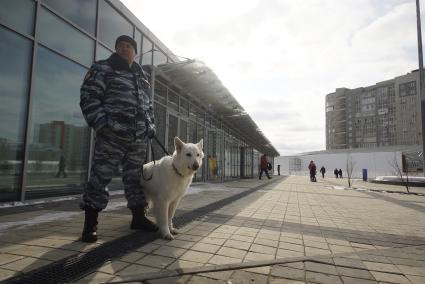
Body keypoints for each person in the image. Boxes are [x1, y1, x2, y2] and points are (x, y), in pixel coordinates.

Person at [79, 35, 157, 243]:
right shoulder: (103, 68)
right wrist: (102, 124)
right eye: (120, 46)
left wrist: (150, 126)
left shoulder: (142, 77)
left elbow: (148, 106)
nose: (124, 48)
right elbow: (89, 97)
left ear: (135, 52)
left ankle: (139, 218)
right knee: (100, 178)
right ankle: (90, 226)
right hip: (112, 136)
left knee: (135, 180)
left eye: (128, 46)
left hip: (137, 138)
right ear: (116, 50)